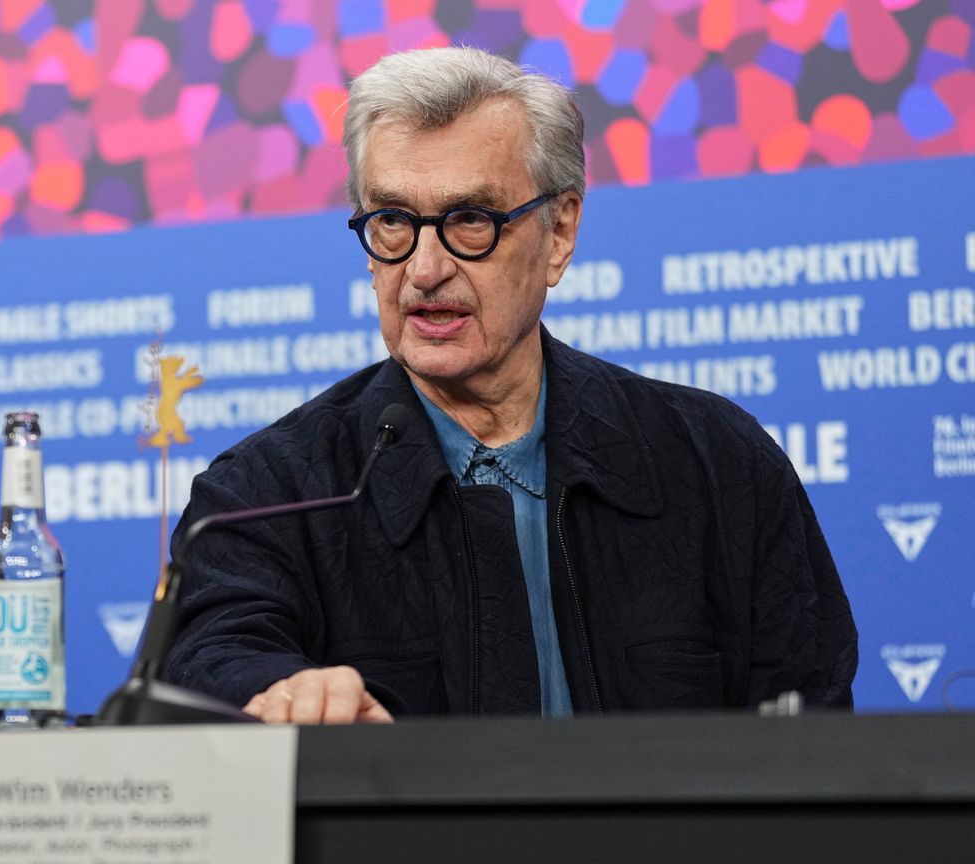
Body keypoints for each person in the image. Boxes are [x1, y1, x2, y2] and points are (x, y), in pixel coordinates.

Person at [164, 47, 858, 725]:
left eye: (471, 220)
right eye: (393, 221)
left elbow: (812, 734)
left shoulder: (717, 462)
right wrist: (280, 693)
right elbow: (216, 654)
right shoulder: (267, 493)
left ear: (559, 233)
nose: (424, 270)